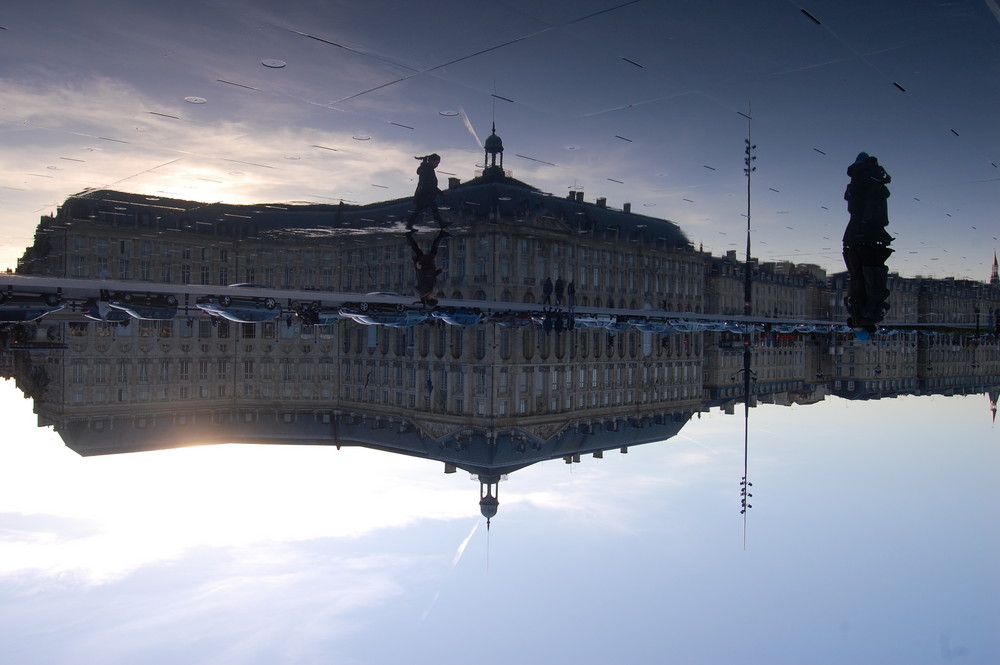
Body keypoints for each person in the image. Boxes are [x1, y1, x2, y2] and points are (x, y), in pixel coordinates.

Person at [842, 152, 893, 328]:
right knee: (854, 256)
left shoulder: (867, 180)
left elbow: (867, 205)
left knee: (854, 255)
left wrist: (864, 224)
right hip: (863, 232)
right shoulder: (870, 179)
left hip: (862, 231)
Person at [407, 228, 449, 307]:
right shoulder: (428, 290)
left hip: (424, 266)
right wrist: (440, 270)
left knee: (429, 251)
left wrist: (418, 268)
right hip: (428, 266)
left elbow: (421, 278)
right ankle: (441, 235)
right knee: (421, 250)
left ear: (429, 298)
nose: (435, 294)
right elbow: (432, 276)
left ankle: (441, 234)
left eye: (434, 296)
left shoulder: (424, 290)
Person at [408, 154, 447, 229]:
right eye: (436, 163)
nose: (437, 165)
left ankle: (409, 225)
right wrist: (441, 193)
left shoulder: (426, 169)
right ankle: (441, 223)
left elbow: (430, 184)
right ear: (432, 161)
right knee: (427, 208)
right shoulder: (428, 170)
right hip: (425, 194)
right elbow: (430, 184)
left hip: (425, 193)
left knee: (422, 209)